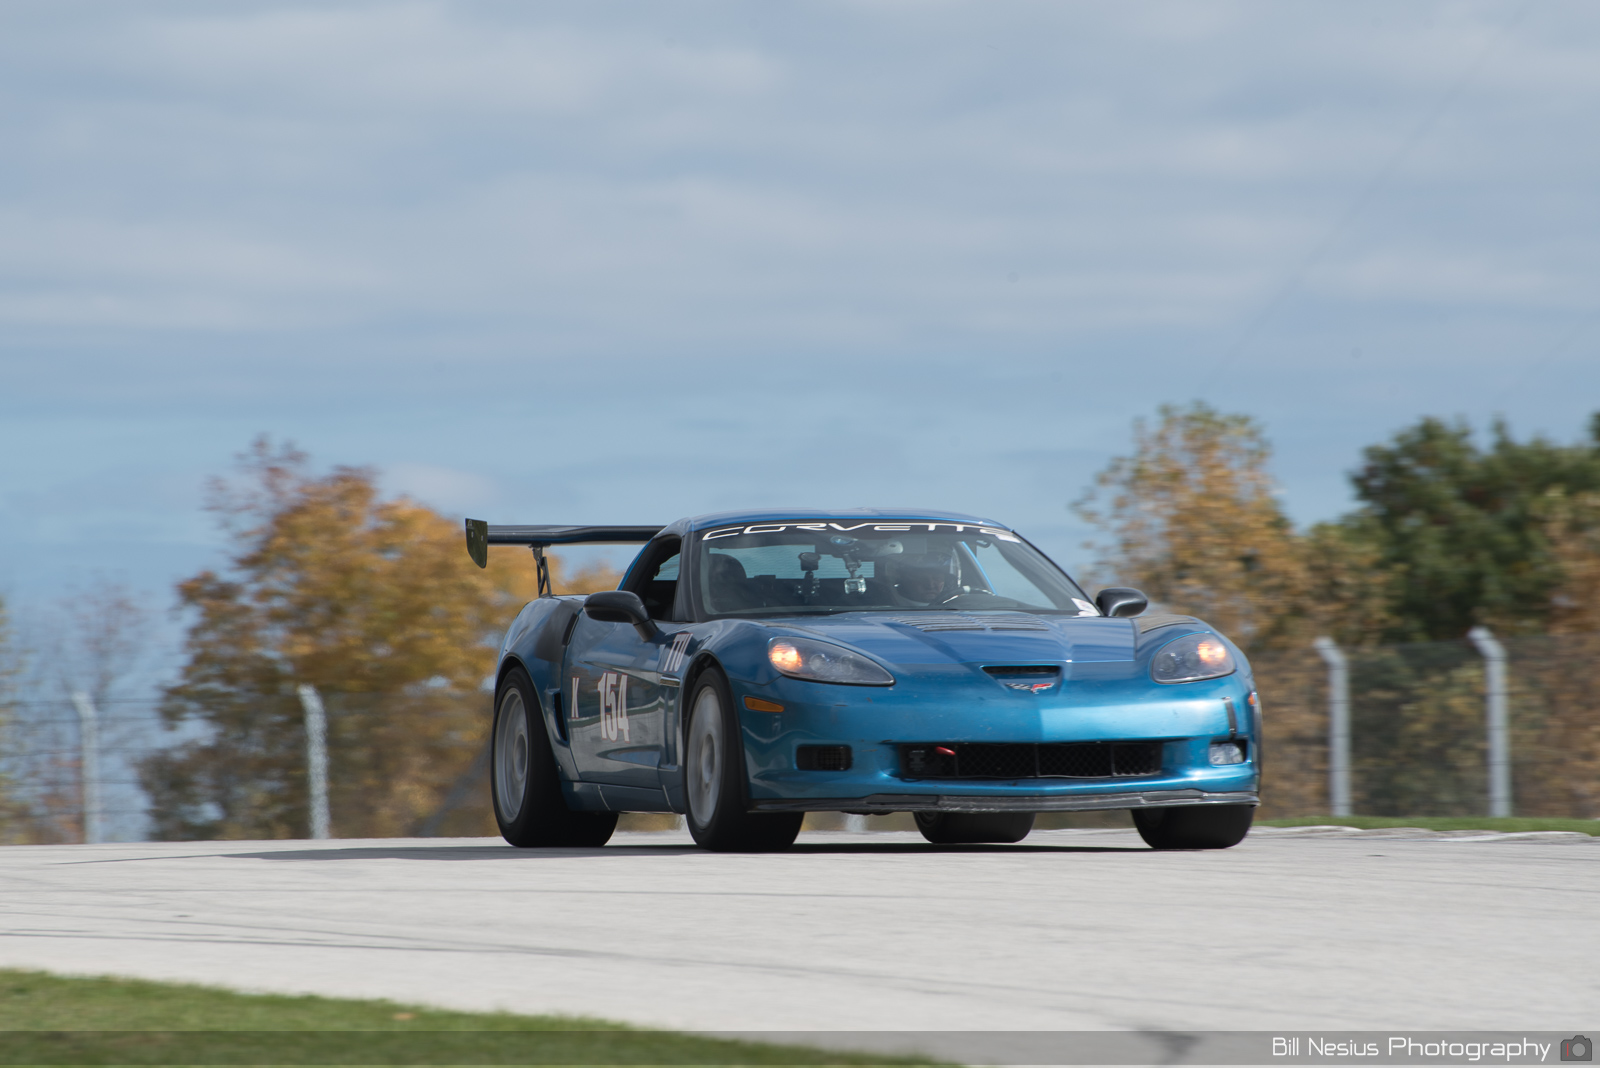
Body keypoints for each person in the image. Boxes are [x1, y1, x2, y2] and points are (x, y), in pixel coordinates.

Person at [890, 550, 958, 606]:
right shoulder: (888, 604)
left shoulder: (956, 606)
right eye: (922, 579)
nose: (930, 586)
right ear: (906, 581)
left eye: (937, 579)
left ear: (946, 582)